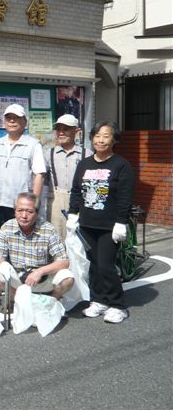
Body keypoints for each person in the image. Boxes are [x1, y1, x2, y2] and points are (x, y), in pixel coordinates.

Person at [67, 121, 134, 324]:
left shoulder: (121, 165)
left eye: (106, 136)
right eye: (97, 135)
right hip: (87, 224)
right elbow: (77, 190)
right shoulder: (84, 164)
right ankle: (99, 300)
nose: (100, 139)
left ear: (114, 140)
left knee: (106, 266)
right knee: (93, 265)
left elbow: (125, 196)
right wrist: (73, 213)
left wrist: (121, 222)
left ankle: (118, 305)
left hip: (109, 226)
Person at [0, 193, 74, 300]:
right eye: (20, 210)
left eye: (29, 211)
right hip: (17, 279)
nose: (24, 216)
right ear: (15, 211)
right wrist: (3, 264)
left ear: (37, 213)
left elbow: (64, 261)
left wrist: (40, 271)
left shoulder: (48, 230)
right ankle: (17, 299)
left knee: (67, 278)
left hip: (42, 280)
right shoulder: (6, 227)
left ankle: (50, 302)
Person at [0, 103, 46, 249]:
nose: (12, 121)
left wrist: (33, 204)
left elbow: (39, 175)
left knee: (21, 245)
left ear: (25, 122)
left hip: (21, 207)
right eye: (8, 118)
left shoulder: (33, 145)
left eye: (16, 118)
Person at [44, 114, 91, 241]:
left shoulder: (86, 154)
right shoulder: (49, 153)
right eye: (59, 129)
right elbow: (43, 180)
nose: (61, 132)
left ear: (76, 131)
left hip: (79, 200)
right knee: (55, 236)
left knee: (78, 237)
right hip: (56, 199)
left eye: (66, 129)